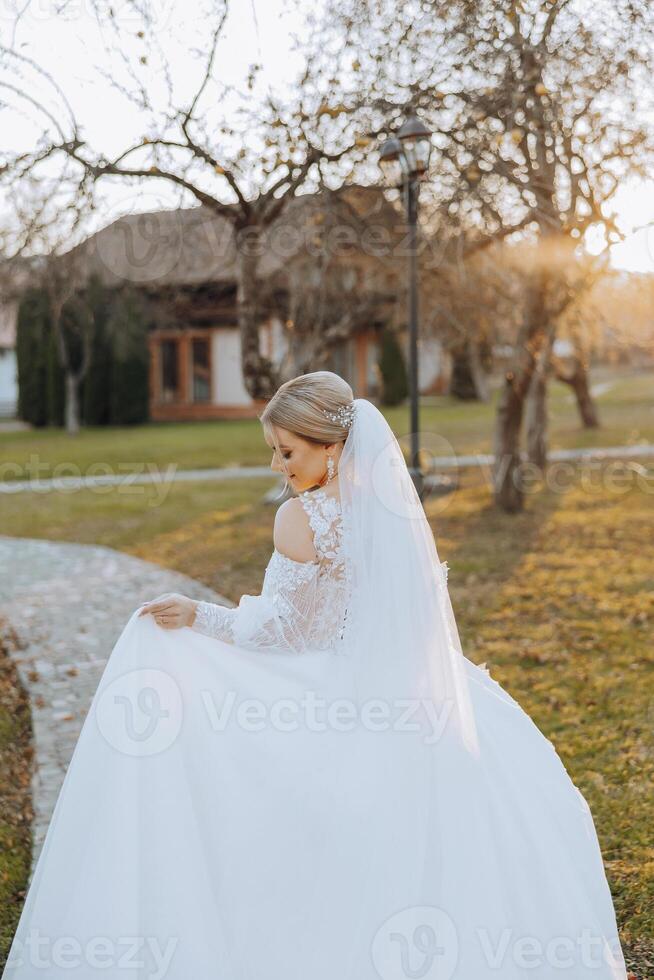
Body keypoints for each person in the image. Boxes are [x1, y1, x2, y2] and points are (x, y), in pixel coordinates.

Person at [3, 371, 628, 980]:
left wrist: (200, 617)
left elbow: (288, 631)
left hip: (332, 690)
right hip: (406, 685)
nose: (279, 465)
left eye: (287, 451)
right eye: (275, 452)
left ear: (332, 447)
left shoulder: (303, 518)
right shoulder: (386, 513)